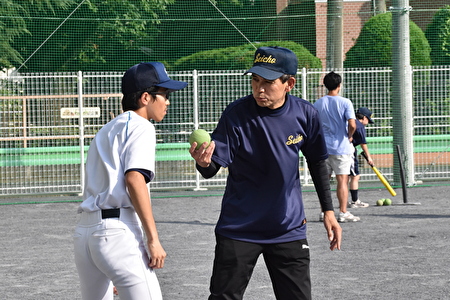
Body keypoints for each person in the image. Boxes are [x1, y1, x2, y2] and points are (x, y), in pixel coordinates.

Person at [189, 46, 342, 300]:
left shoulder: (305, 114)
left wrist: (328, 210)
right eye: (255, 80)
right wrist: (203, 162)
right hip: (239, 228)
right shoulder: (236, 114)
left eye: (268, 82)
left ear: (289, 83)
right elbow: (212, 166)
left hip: (288, 228)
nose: (259, 88)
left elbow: (317, 162)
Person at [73, 62, 188, 300]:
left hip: (85, 235)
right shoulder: (141, 126)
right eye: (164, 94)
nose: (167, 101)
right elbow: (134, 179)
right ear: (146, 97)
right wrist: (153, 239)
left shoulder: (105, 130)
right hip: (116, 233)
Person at [314, 71, 360, 223]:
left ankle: (324, 212)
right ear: (339, 86)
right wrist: (349, 135)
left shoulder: (318, 103)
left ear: (325, 85)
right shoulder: (345, 102)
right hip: (341, 147)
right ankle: (343, 212)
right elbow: (352, 124)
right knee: (342, 181)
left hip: (323, 148)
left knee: (324, 182)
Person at [348, 107, 374, 208]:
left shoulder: (349, 122)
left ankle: (345, 201)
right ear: (364, 117)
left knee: (344, 177)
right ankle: (355, 201)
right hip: (349, 151)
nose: (367, 122)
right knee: (355, 176)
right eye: (368, 119)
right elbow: (363, 144)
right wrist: (369, 158)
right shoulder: (359, 126)